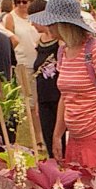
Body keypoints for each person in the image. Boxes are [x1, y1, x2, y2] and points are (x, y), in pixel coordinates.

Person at [30, 0, 96, 173]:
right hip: (75, 139)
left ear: (62, 24)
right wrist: (57, 135)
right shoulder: (63, 51)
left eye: (51, 22)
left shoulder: (95, 51)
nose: (48, 27)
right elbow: (65, 97)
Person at [32, 11, 61, 157]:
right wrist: (37, 99)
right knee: (48, 137)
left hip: (59, 97)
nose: (32, 24)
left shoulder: (61, 44)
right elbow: (37, 71)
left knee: (61, 140)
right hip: (44, 97)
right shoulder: (40, 42)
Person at [2, 0, 39, 73]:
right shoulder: (10, 18)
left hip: (38, 62)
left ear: (31, 0)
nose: (21, 4)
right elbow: (9, 42)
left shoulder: (36, 15)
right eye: (18, 2)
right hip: (22, 63)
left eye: (24, 2)